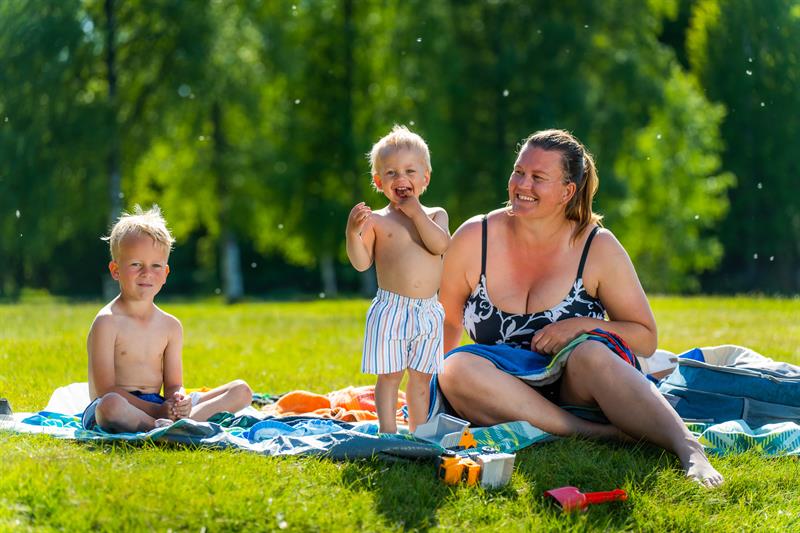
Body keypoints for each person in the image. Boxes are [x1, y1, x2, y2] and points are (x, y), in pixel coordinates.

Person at [436, 129, 723, 487]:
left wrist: (580, 326)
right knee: (454, 367)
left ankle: (689, 449)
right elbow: (446, 320)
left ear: (567, 191)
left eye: (538, 178)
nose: (522, 184)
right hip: (501, 390)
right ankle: (596, 433)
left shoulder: (596, 246)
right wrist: (434, 391)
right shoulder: (474, 236)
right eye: (519, 171)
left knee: (590, 353)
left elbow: (645, 339)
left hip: (577, 385)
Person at [82, 205, 252, 433]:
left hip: (158, 406)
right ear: (115, 270)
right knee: (111, 406)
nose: (146, 273)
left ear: (166, 273)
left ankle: (175, 424)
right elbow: (104, 390)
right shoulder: (107, 322)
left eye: (155, 266)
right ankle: (164, 428)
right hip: (118, 408)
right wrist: (157, 412)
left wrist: (177, 401)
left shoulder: (170, 326)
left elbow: (173, 385)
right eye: (136, 265)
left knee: (241, 390)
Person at [346, 125, 450, 433]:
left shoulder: (435, 216)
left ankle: (419, 433)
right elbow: (361, 262)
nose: (400, 179)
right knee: (389, 376)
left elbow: (440, 246)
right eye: (390, 173)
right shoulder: (377, 221)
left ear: (425, 179)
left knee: (421, 379)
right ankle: (388, 432)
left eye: (409, 171)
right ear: (379, 182)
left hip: (429, 311)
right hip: (391, 309)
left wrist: (416, 213)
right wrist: (353, 233)